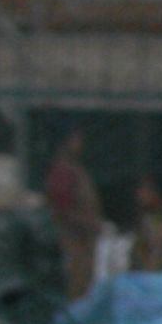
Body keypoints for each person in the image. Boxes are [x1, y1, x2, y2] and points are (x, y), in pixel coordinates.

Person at [43, 127, 102, 298]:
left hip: (83, 244)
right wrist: (87, 224)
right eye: (76, 139)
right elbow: (61, 210)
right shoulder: (63, 172)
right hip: (71, 242)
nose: (80, 144)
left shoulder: (76, 170)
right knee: (74, 287)